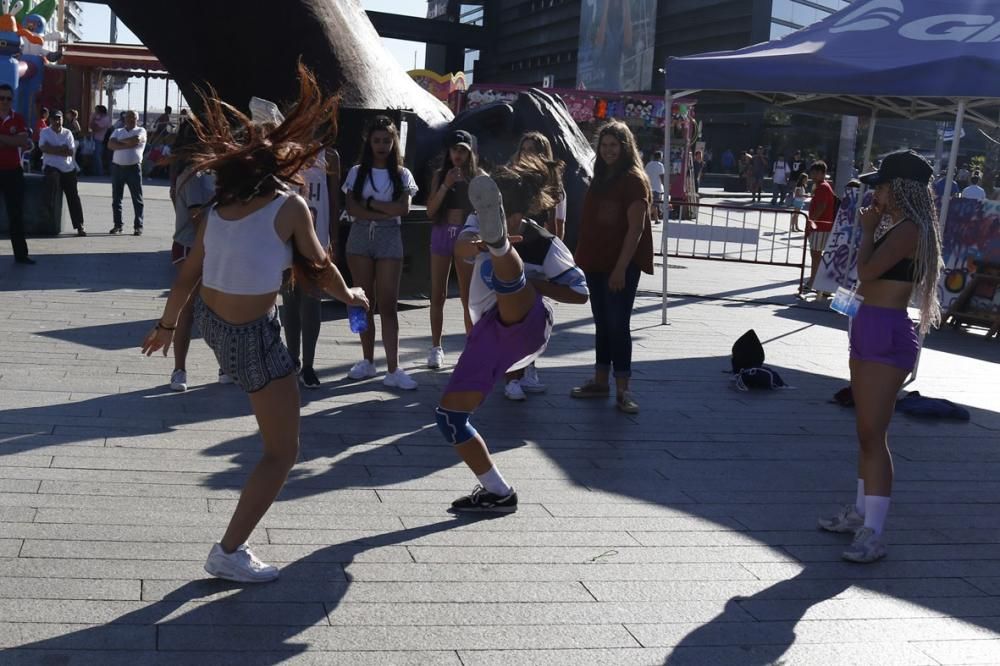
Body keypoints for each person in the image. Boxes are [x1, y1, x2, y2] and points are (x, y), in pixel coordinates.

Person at [141, 65, 368, 582]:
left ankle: (232, 547)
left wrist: (168, 327)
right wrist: (352, 293)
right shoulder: (289, 207)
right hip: (249, 335)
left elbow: (186, 279)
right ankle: (229, 550)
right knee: (282, 451)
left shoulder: (220, 208)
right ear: (278, 169)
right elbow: (325, 268)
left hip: (214, 325)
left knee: (277, 434)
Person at [437, 160, 588, 512]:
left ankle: (503, 248)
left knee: (515, 284)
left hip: (530, 323)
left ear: (519, 216)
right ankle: (498, 491)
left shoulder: (546, 244)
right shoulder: (474, 226)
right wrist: (474, 247)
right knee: (449, 418)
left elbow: (580, 292)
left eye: (506, 218)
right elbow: (458, 247)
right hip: (489, 334)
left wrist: (536, 281)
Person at [818, 151, 941, 563]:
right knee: (865, 433)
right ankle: (861, 513)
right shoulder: (899, 226)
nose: (877, 193)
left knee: (874, 434)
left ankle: (874, 531)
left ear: (901, 188)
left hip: (886, 332)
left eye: (883, 186)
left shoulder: (910, 229)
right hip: (870, 326)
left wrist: (867, 232)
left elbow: (868, 273)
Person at [571, 120, 654, 414]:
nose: (608, 151)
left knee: (618, 326)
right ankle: (600, 381)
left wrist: (620, 268)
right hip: (597, 262)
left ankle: (624, 389)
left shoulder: (633, 179)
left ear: (625, 147)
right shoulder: (602, 176)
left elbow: (636, 229)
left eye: (613, 146)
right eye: (604, 146)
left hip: (619, 266)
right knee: (603, 324)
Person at [343, 115, 419, 390]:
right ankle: (366, 360)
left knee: (388, 303)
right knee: (361, 301)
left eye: (387, 140)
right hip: (360, 234)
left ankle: (393, 367)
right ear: (369, 142)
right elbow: (352, 209)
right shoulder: (356, 172)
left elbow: (404, 209)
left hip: (389, 236)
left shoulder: (402, 174)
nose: (382, 145)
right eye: (377, 140)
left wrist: (372, 203)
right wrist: (383, 209)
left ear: (394, 142)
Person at [501, 131, 568, 399]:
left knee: (534, 316)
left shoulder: (555, 188)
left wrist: (555, 264)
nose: (529, 155)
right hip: (512, 252)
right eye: (525, 149)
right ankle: (511, 374)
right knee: (509, 314)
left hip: (538, 254)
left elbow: (557, 227)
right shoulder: (510, 182)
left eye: (535, 151)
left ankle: (528, 367)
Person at [282, 142, 340, 389]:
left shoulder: (329, 156)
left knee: (312, 301)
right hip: (287, 240)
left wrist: (333, 239)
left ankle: (308, 364)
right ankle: (292, 359)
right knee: (290, 301)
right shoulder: (284, 152)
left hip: (317, 240)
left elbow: (334, 200)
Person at [425, 129, 481, 369]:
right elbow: (430, 210)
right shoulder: (441, 175)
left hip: (466, 235)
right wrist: (446, 185)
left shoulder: (478, 176)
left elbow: (486, 208)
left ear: (470, 153)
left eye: (463, 150)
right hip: (441, 232)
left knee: (468, 296)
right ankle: (436, 347)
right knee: (437, 294)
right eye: (454, 149)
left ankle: (472, 346)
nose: (458, 154)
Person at [166, 130, 217, 393]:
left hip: (188, 246)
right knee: (193, 309)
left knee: (201, 309)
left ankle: (183, 369)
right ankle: (180, 369)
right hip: (193, 247)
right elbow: (198, 219)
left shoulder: (195, 174)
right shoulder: (195, 176)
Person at [38, 110, 86, 237]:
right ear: (50, 120)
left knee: (73, 196)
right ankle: (48, 224)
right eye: (54, 119)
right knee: (51, 186)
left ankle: (79, 225)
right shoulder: (45, 132)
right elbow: (43, 148)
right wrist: (61, 149)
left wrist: (52, 149)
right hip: (51, 166)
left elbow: (70, 152)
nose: (57, 121)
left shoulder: (67, 133)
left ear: (62, 120)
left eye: (59, 119)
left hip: (67, 167)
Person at [0, 84, 33, 264]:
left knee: (16, 214)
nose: (5, 101)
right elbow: (14, 141)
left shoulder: (18, 118)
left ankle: (21, 254)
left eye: (8, 98)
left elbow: (21, 141)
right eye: (1, 98)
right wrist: (9, 141)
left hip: (13, 171)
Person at [108, 110, 147, 235]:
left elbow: (136, 140)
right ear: (124, 119)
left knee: (137, 199)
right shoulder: (118, 131)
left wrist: (119, 143)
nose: (131, 119)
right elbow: (110, 144)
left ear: (137, 119)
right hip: (117, 168)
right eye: (128, 117)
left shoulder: (141, 131)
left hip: (133, 168)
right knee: (116, 199)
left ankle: (138, 226)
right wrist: (127, 144)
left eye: (133, 117)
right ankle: (118, 225)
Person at [805, 160, 836, 295]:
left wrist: (812, 222)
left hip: (821, 226)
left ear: (824, 174)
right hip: (822, 226)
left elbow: (822, 206)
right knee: (817, 254)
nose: (814, 175)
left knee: (816, 254)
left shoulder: (823, 187)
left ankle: (815, 282)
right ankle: (821, 285)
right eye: (813, 172)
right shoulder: (822, 186)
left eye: (817, 172)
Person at [88, 104, 111, 177]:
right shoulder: (97, 117)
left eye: (96, 110)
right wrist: (93, 120)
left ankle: (99, 172)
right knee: (94, 156)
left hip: (100, 139)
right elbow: (91, 126)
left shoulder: (105, 119)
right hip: (94, 138)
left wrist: (93, 121)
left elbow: (96, 128)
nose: (95, 112)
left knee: (97, 156)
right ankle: (94, 171)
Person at [644, 150, 665, 223]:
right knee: (655, 204)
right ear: (660, 157)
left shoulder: (648, 164)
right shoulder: (660, 165)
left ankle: (656, 219)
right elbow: (662, 177)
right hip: (656, 188)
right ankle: (644, 217)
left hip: (648, 187)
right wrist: (665, 186)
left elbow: (645, 175)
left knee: (651, 203)